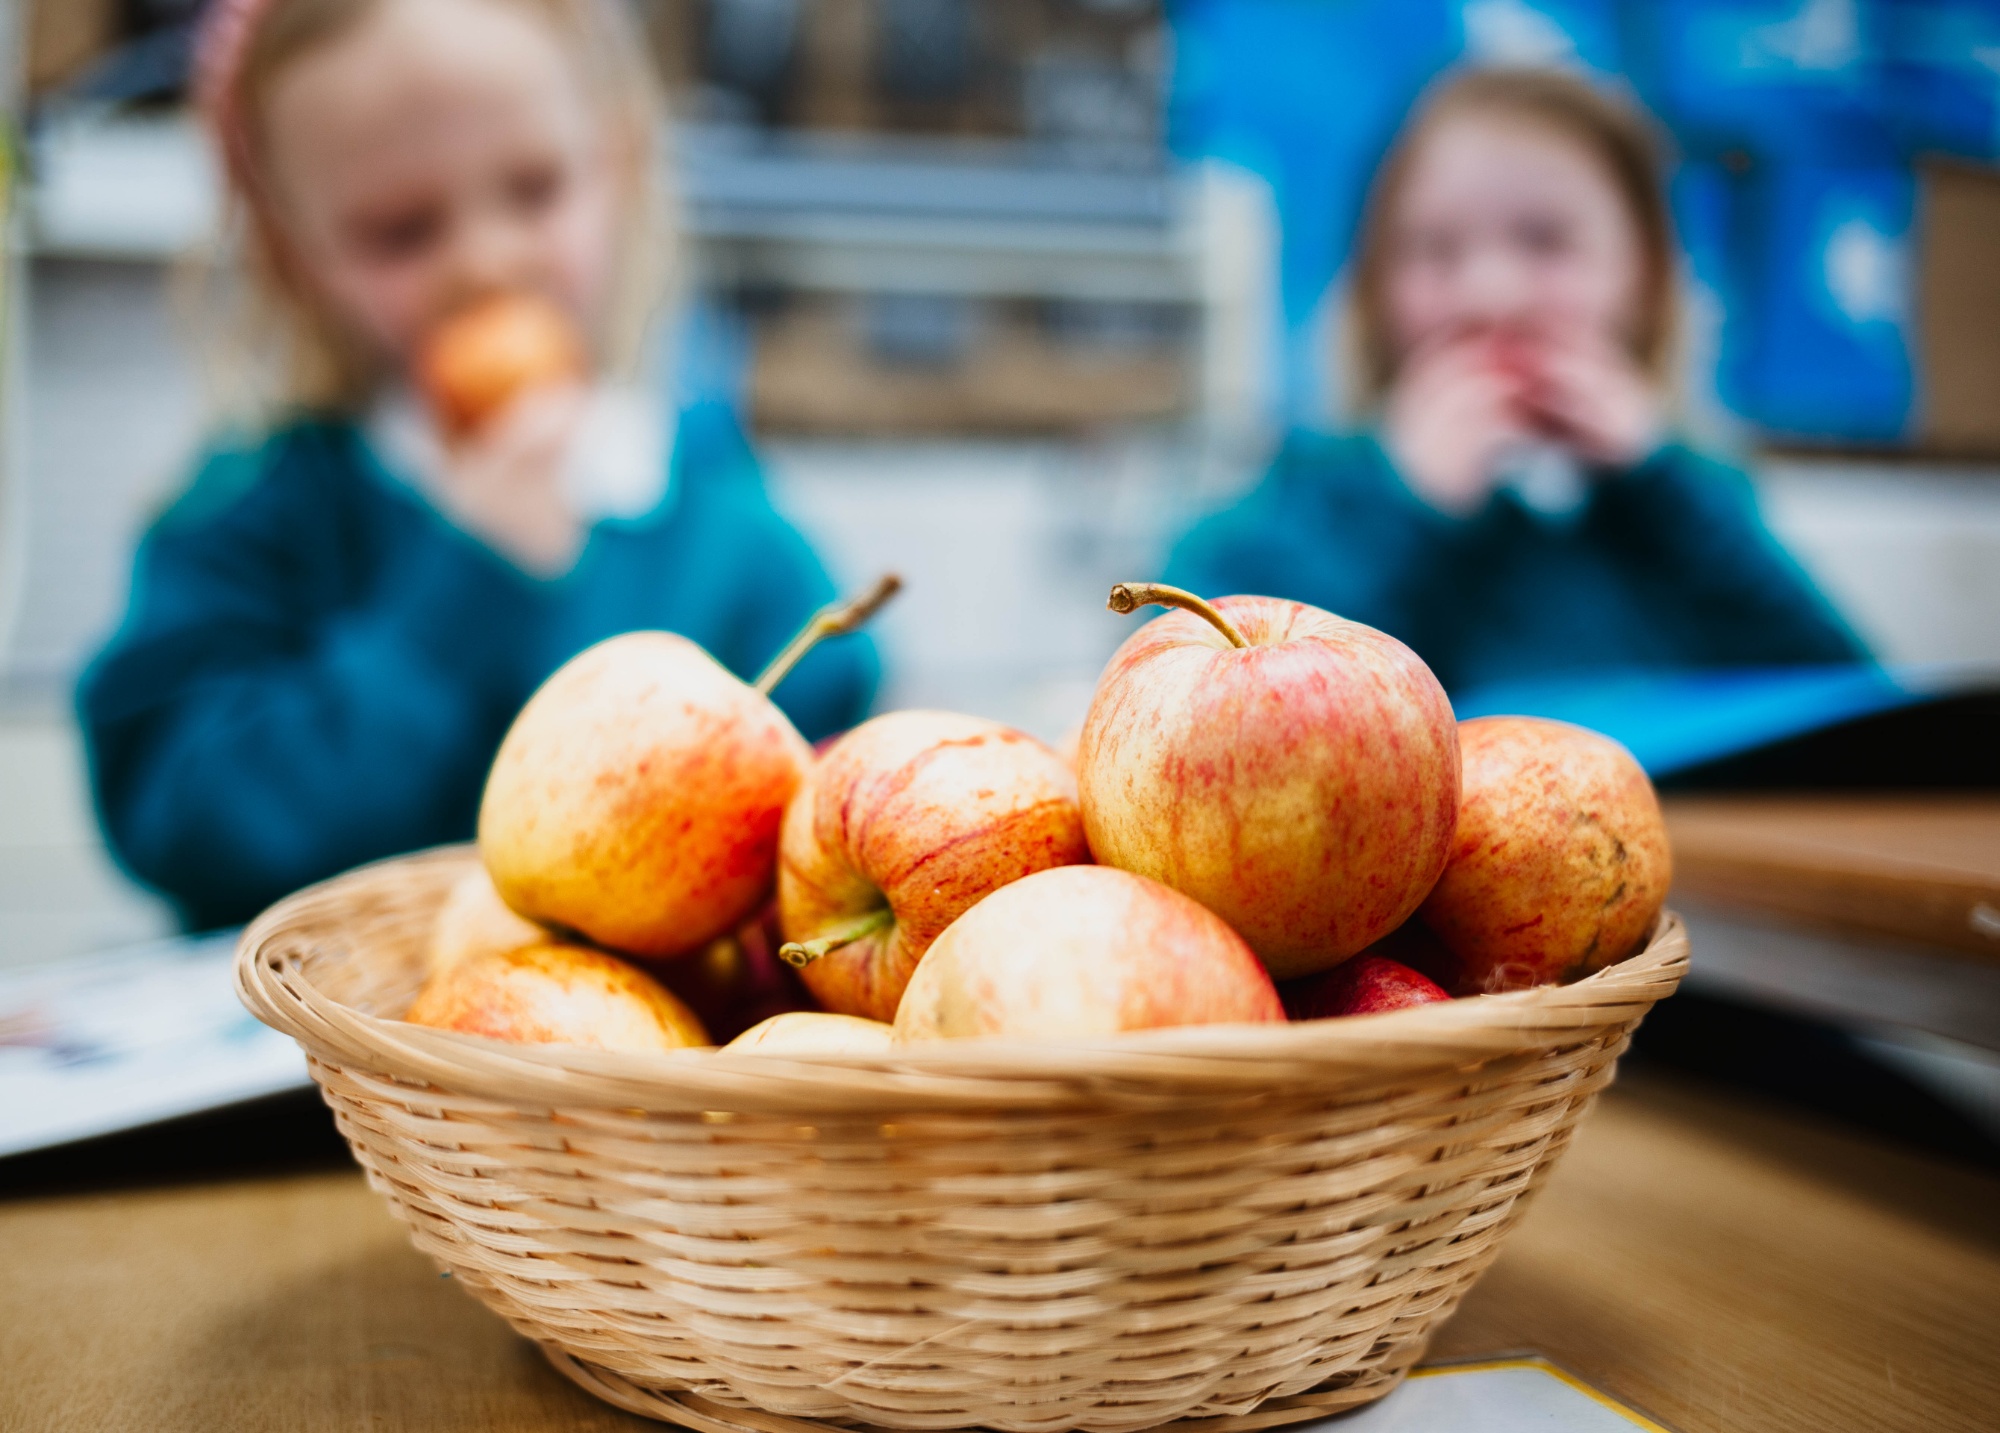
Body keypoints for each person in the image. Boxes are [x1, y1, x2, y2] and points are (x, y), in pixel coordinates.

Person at [79, 0, 877, 931]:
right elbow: (184, 818)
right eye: (402, 230)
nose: (486, 260)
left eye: (535, 190)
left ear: (614, 167)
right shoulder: (254, 517)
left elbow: (832, 719)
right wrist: (463, 592)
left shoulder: (710, 512)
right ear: (295, 255)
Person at [1168, 69, 1868, 696]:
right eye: (1434, 250)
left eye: (1546, 240)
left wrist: (1660, 481)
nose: (1491, 296)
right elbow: (1201, 684)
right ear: (1373, 295)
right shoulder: (1314, 492)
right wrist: (1405, 504)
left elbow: (1845, 701)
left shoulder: (1687, 506)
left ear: (1647, 279)